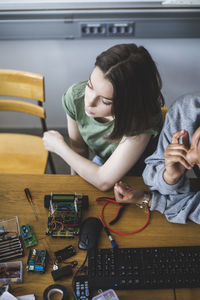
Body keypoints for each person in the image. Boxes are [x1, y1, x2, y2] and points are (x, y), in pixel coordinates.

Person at [43, 43, 164, 191]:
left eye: (105, 101)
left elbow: (103, 181)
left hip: (143, 176)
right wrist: (74, 188)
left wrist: (59, 147)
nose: (89, 102)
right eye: (90, 85)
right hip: (103, 165)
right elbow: (79, 151)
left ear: (129, 103)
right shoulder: (75, 97)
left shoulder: (141, 120)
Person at [114, 93, 200, 224]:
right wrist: (169, 177)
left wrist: (148, 200)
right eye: (198, 141)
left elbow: (191, 210)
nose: (188, 156)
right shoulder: (188, 111)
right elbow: (150, 174)